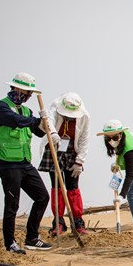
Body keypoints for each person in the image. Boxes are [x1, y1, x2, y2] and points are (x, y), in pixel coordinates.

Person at [0, 72, 53, 253]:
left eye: (31, 93)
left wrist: (45, 123)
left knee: (42, 197)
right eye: (27, 92)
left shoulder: (27, 111)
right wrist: (35, 121)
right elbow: (15, 121)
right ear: (16, 88)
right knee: (12, 204)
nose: (29, 96)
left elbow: (39, 132)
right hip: (8, 163)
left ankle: (32, 238)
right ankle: (10, 243)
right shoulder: (1, 107)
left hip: (25, 162)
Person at [37, 92, 91, 236]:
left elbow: (84, 139)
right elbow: (49, 121)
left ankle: (78, 222)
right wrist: (53, 133)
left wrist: (79, 161)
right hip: (54, 148)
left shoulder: (85, 116)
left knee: (73, 187)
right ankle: (59, 222)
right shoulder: (55, 107)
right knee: (57, 186)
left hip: (72, 151)